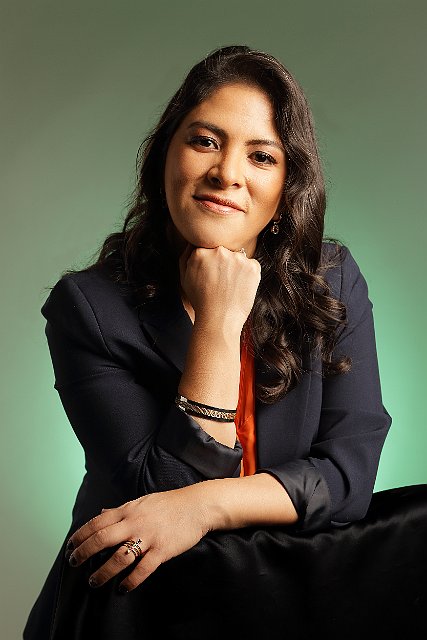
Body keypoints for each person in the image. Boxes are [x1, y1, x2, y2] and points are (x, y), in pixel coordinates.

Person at [24, 45, 426, 640]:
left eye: (261, 156)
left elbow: (348, 474)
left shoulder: (332, 279)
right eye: (205, 141)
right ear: (165, 156)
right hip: (140, 607)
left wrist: (206, 507)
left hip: (281, 595)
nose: (227, 174)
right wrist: (217, 321)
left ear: (287, 188)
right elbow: (163, 508)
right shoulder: (88, 307)